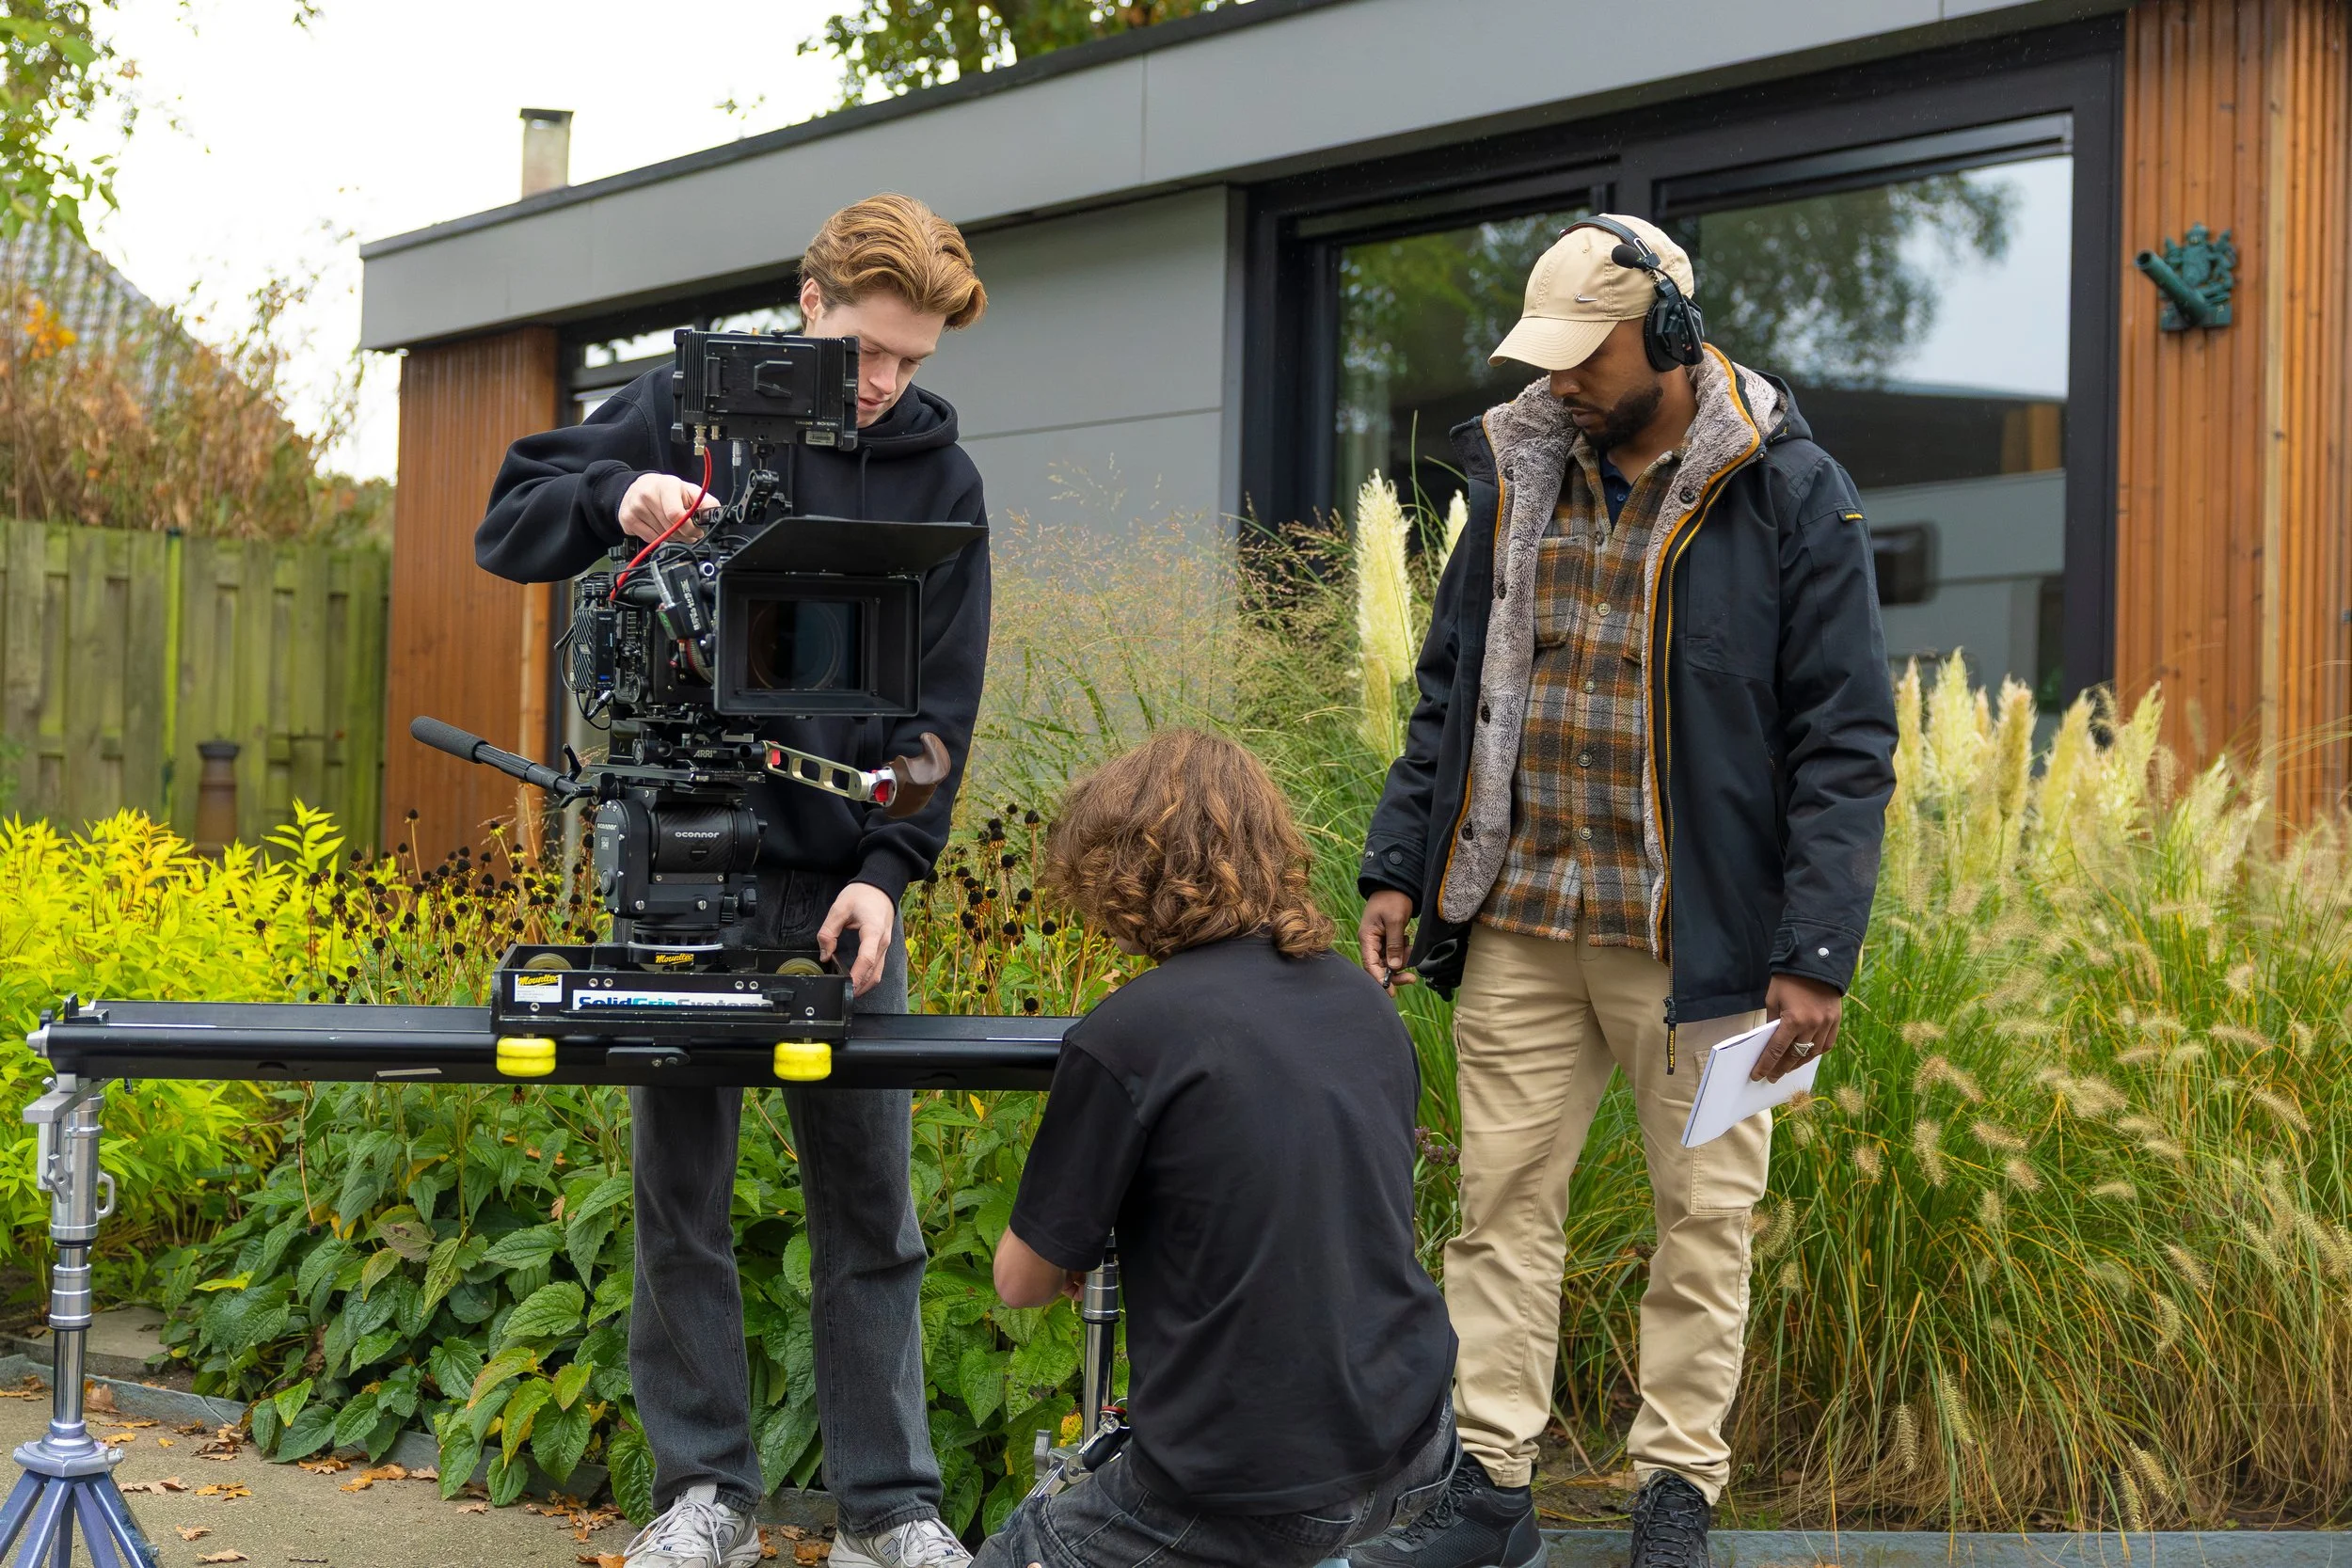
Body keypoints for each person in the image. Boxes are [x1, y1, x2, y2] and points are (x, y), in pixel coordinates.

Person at [1347, 215, 1897, 1568]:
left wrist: (1814, 950)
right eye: (1544, 356)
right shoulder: (1521, 470)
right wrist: (1398, 862)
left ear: (1667, 334)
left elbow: (1845, 739)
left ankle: (1675, 1492)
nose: (1560, 381)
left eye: (1583, 355)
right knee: (1497, 1213)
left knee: (1705, 1224)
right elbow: (1447, 689)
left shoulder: (1791, 488)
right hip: (1522, 919)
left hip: (1707, 948)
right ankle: (1488, 1486)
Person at [474, 193, 993, 1568]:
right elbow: (508, 521)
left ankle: (891, 1506)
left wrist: (889, 869)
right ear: (809, 301)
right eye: (866, 349)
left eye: (912, 362)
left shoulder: (941, 479)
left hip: (842, 899)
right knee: (679, 1200)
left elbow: (939, 715)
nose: (883, 384)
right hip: (679, 875)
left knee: (872, 1209)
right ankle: (703, 1490)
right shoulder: (682, 408)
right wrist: (620, 495)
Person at [977, 728, 1459, 1568]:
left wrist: (1077, 1238)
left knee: (1020, 1554)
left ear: (1124, 870)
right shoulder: (1364, 1002)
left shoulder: (1128, 1032)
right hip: (1415, 1442)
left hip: (1251, 1480)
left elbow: (1022, 1281)